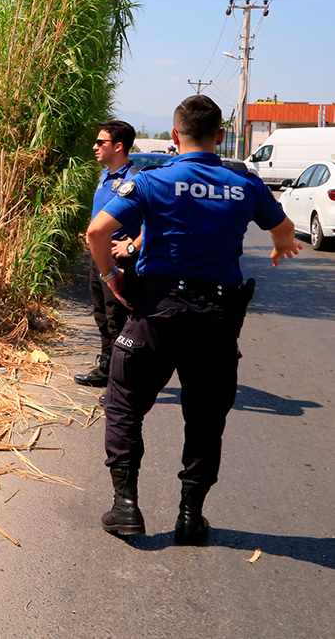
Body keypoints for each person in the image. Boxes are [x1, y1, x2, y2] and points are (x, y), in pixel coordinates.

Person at [85, 95, 301, 545]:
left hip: (156, 313)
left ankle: (126, 508)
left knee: (123, 403)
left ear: (175, 133)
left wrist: (111, 280)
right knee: (205, 419)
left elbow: (97, 231)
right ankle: (190, 516)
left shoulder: (153, 181)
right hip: (217, 320)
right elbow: (284, 230)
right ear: (220, 136)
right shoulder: (245, 184)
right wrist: (280, 248)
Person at [74, 120, 142, 388]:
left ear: (118, 146)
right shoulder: (105, 176)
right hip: (98, 255)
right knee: (101, 314)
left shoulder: (133, 180)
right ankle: (106, 368)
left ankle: (121, 381)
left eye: (100, 142)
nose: (94, 147)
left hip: (117, 257)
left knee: (117, 320)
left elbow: (155, 221)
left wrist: (132, 245)